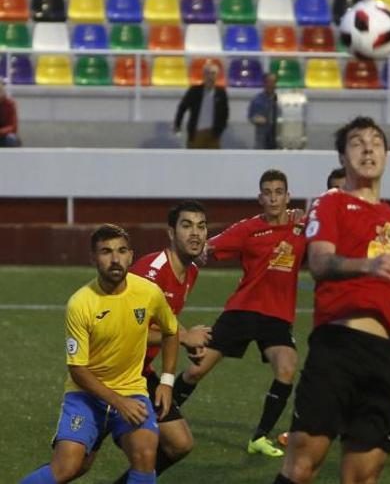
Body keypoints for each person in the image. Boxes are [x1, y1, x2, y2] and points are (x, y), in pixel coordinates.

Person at [275, 117, 390, 484]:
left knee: (363, 477)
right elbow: (319, 262)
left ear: (386, 155)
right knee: (303, 464)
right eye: (357, 142)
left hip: (388, 357)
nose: (368, 149)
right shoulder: (330, 203)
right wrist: (369, 264)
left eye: (376, 142)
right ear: (342, 155)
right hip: (340, 347)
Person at [21, 224, 179, 484]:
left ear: (131, 255)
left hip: (132, 390)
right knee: (68, 467)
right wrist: (118, 403)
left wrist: (167, 382)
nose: (115, 259)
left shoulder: (149, 293)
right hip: (85, 396)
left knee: (145, 455)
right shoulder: (80, 303)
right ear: (93, 258)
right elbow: (78, 370)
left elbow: (171, 331)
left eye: (121, 251)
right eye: (106, 252)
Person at [172, 169, 305, 458]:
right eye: (267, 193)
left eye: (278, 192)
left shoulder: (302, 226)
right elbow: (209, 248)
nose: (273, 198)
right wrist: (197, 251)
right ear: (260, 198)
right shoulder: (248, 229)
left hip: (278, 316)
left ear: (288, 196)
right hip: (243, 310)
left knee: (286, 367)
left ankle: (259, 438)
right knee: (196, 370)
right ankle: (162, 412)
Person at [78, 202, 213, 483]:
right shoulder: (151, 270)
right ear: (171, 233)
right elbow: (125, 326)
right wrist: (184, 337)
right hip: (109, 373)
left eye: (201, 226)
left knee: (179, 443)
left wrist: (181, 340)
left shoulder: (190, 272)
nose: (196, 233)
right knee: (75, 465)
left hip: (140, 372)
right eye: (187, 225)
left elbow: (163, 322)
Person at [173, 62, 229, 149]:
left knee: (214, 160)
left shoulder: (221, 93)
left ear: (217, 75)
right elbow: (182, 108)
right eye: (208, 73)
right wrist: (177, 125)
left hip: (213, 134)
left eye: (213, 73)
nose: (210, 76)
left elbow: (225, 113)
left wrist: (220, 129)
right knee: (194, 159)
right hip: (196, 132)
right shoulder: (194, 91)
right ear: (204, 75)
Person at [248, 73, 279, 149]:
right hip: (262, 137)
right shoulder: (257, 100)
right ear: (264, 83)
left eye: (273, 82)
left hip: (277, 137)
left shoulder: (280, 100)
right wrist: (257, 119)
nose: (271, 85)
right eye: (269, 82)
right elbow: (251, 117)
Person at [0, 80, 21, 147]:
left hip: (3, 136)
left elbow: (13, 127)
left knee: (12, 139)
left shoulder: (10, 104)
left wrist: (1, 132)